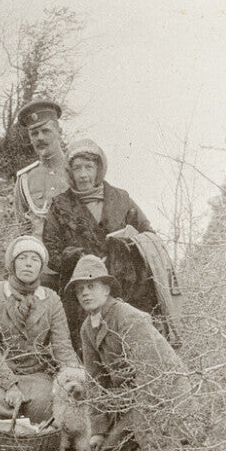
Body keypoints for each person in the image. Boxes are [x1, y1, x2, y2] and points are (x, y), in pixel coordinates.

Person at [65, 254, 190, 451]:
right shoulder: (87, 328)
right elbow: (96, 382)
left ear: (106, 289)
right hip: (135, 400)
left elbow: (153, 373)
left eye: (91, 286)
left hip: (166, 395)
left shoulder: (127, 316)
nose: (85, 293)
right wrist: (99, 431)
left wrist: (143, 423)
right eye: (80, 289)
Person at [42, 138, 156, 350]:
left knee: (130, 343)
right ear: (69, 172)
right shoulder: (59, 206)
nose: (83, 174)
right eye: (77, 168)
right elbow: (51, 252)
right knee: (89, 347)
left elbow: (148, 234)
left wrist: (129, 239)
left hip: (126, 288)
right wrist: (79, 257)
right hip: (81, 292)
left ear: (99, 168)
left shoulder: (120, 198)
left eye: (89, 167)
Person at [0, 234, 82, 424]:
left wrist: (76, 377)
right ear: (13, 264)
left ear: (41, 267)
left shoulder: (51, 299)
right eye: (22, 258)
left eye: (34, 259)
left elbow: (62, 346)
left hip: (37, 377)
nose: (28, 264)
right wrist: (10, 385)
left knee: (47, 407)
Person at [12, 99, 70, 241]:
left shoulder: (78, 171)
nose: (40, 138)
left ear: (59, 131)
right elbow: (22, 229)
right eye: (34, 133)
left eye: (46, 131)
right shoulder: (25, 179)